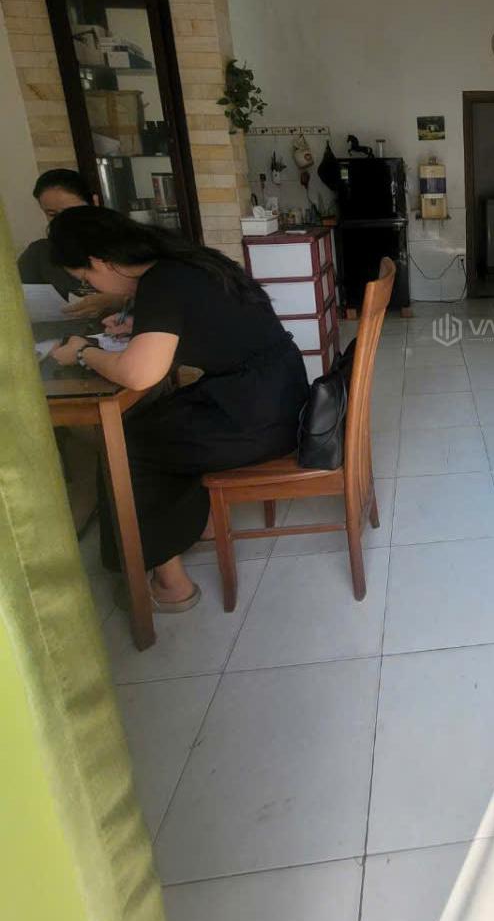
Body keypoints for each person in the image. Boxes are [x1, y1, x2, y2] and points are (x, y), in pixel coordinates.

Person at [48, 207, 308, 611]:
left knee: (128, 445)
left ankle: (171, 583)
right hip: (279, 397)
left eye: (85, 278)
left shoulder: (163, 280)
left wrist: (83, 352)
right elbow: (203, 321)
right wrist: (140, 325)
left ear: (99, 261)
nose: (91, 287)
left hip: (257, 417)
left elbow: (138, 374)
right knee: (161, 421)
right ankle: (199, 526)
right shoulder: (185, 262)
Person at [17, 169, 119, 318]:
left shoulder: (126, 247)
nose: (62, 222)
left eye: (71, 212)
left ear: (94, 203)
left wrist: (118, 302)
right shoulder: (38, 254)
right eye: (52, 214)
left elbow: (153, 298)